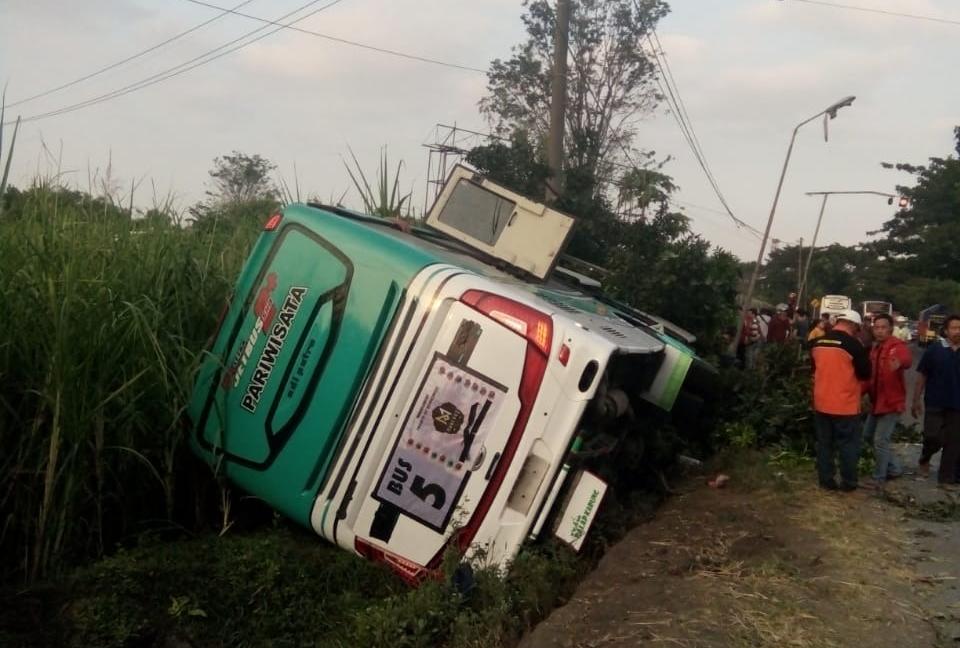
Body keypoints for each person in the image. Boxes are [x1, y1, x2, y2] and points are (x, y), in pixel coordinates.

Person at [810, 309, 871, 491]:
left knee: (824, 444)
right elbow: (865, 373)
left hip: (821, 402)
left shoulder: (818, 342)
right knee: (847, 445)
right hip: (845, 405)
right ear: (853, 325)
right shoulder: (854, 345)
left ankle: (826, 481)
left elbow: (815, 368)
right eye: (857, 328)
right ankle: (848, 482)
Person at [864, 313, 912, 489]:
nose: (879, 331)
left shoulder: (896, 346)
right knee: (868, 436)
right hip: (876, 402)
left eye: (883, 327)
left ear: (891, 329)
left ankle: (879, 478)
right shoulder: (875, 349)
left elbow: (906, 359)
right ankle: (894, 467)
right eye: (876, 327)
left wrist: (899, 363)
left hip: (891, 402)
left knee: (880, 440)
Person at [912, 314, 960, 486]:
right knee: (933, 437)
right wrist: (916, 399)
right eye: (954, 328)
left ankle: (945, 478)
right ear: (946, 331)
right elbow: (922, 375)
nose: (957, 331)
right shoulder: (934, 350)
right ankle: (925, 458)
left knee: (953, 443)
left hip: (957, 405)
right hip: (934, 402)